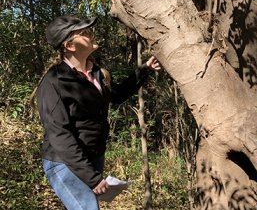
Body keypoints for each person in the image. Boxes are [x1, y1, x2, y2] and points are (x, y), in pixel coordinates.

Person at [31, 15, 161, 210]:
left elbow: (116, 95)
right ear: (69, 46)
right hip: (64, 162)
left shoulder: (96, 74)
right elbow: (59, 134)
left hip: (92, 157)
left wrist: (145, 70)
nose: (91, 35)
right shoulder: (54, 82)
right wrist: (92, 178)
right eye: (83, 33)